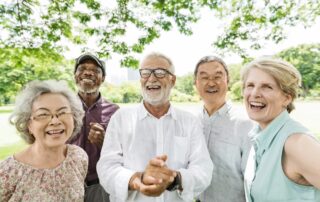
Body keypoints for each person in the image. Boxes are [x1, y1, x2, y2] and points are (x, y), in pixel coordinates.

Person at [97, 52, 213, 202]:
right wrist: (137, 180)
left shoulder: (189, 122)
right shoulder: (121, 119)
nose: (151, 78)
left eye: (160, 72)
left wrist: (174, 179)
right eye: (145, 73)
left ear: (173, 80)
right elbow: (106, 168)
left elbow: (203, 170)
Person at [242, 57, 320, 201]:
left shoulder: (297, 143)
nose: (255, 93)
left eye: (267, 87)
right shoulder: (259, 138)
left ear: (287, 98)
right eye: (250, 85)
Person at [0, 80, 88, 202]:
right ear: (28, 124)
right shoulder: (7, 172)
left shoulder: (78, 157)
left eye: (62, 112)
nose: (55, 121)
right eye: (43, 114)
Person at [193, 55, 254, 202]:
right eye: (204, 77)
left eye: (217, 76)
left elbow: (254, 180)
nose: (211, 83)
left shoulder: (246, 124)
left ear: (228, 80)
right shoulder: (191, 123)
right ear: (196, 83)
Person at [69, 52, 119, 201]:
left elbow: (124, 153)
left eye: (95, 70)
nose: (88, 72)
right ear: (75, 75)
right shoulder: (62, 107)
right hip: (66, 182)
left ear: (102, 78)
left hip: (100, 185)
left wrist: (105, 142)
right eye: (82, 68)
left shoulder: (115, 111)